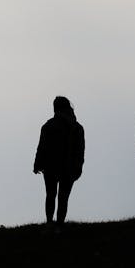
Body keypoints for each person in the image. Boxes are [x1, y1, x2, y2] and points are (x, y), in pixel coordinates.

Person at [33, 96, 85, 225]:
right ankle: (59, 225)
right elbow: (80, 150)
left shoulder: (48, 125)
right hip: (69, 167)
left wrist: (37, 164)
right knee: (63, 198)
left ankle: (50, 223)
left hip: (50, 166)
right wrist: (78, 166)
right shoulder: (77, 127)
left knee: (50, 195)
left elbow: (41, 147)